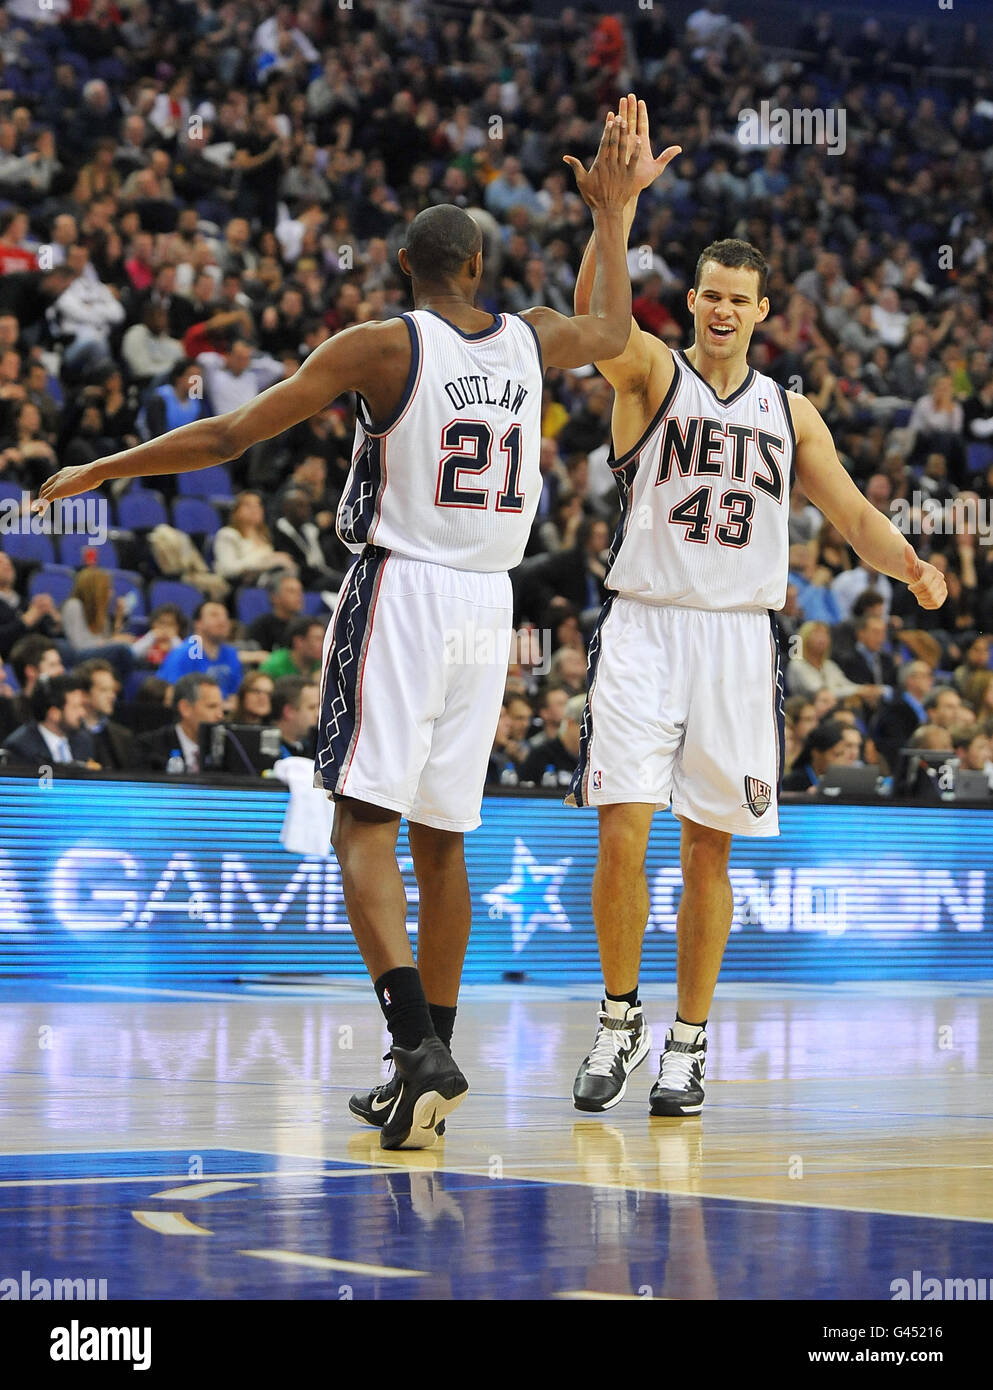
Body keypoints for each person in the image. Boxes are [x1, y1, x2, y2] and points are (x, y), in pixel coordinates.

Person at [36, 108, 644, 1149]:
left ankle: (415, 1045)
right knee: (445, 839)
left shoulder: (379, 344)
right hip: (488, 608)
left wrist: (103, 466)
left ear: (406, 263)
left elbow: (232, 431)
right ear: (483, 266)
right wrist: (614, 217)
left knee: (361, 822)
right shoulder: (535, 337)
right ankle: (429, 1064)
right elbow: (617, 333)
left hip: (401, 590)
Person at [565, 95, 946, 1119]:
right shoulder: (647, 371)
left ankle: (687, 1043)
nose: (724, 310)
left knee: (708, 848)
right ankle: (616, 1018)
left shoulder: (792, 411)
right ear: (690, 301)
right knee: (621, 833)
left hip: (740, 638)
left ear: (764, 311)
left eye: (742, 299)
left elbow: (857, 514)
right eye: (711, 295)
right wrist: (616, 217)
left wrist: (913, 565)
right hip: (643, 624)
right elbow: (591, 325)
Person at [133, 673, 224, 772]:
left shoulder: (226, 749)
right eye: (212, 706)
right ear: (185, 708)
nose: (220, 715)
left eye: (221, 707)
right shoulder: (150, 748)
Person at [2, 674, 97, 768]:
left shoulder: (84, 741)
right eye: (76, 707)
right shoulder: (21, 747)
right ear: (54, 713)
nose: (82, 713)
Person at [156, 599, 243, 699]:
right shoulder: (183, 654)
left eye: (225, 616)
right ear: (198, 623)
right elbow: (173, 695)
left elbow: (236, 692)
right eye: (214, 615)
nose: (222, 620)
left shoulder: (231, 653)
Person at [74, 657, 137, 770]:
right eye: (104, 690)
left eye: (112, 690)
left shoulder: (124, 737)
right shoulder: (68, 735)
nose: (112, 696)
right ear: (84, 694)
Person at [258, 615, 324, 679]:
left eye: (324, 638)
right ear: (299, 642)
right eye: (317, 639)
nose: (323, 644)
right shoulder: (273, 666)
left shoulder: (322, 663)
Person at [271, 674, 319, 758]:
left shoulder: (314, 746)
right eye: (311, 708)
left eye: (319, 707)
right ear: (289, 712)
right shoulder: (268, 753)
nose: (318, 714)